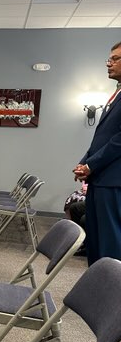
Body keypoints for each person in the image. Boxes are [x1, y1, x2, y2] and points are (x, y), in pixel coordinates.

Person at [73, 40, 121, 266]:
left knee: (109, 243)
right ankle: (96, 284)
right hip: (100, 179)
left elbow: (118, 140)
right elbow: (101, 137)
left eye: (115, 59)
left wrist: (91, 165)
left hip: (113, 181)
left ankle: (109, 287)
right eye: (109, 59)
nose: (108, 64)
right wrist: (85, 163)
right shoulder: (117, 93)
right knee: (96, 240)